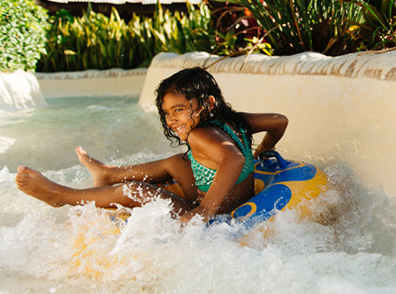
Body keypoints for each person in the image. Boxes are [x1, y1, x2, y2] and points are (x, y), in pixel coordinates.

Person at [15, 67, 288, 225]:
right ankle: (107, 173)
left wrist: (204, 210)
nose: (172, 120)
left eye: (179, 110)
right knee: (175, 163)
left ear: (208, 105)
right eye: (167, 113)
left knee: (135, 190)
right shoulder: (235, 121)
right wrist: (264, 148)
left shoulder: (200, 135)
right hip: (234, 196)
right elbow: (279, 120)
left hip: (217, 211)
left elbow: (234, 160)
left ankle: (61, 196)